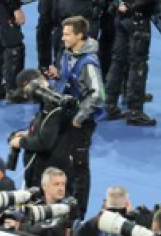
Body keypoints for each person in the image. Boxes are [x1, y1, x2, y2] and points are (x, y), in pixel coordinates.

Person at [104, 0, 158, 127]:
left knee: (117, 61)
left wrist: (122, 5)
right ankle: (135, 110)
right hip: (137, 21)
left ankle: (110, 104)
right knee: (138, 64)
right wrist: (136, 7)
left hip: (119, 17)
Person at [51, 15, 105, 212]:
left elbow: (98, 95)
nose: (62, 38)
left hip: (81, 122)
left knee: (79, 167)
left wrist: (79, 117)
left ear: (79, 36)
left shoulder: (89, 63)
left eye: (67, 34)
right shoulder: (67, 54)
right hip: (67, 115)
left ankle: (78, 211)